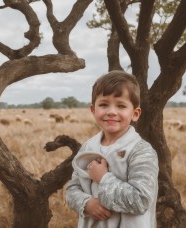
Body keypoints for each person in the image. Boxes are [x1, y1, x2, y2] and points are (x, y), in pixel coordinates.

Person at [66, 70, 159, 228]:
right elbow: (72, 188)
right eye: (103, 105)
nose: (111, 112)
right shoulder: (88, 147)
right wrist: (86, 203)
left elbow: (141, 200)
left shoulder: (141, 150)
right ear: (93, 110)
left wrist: (103, 178)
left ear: (135, 114)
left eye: (121, 106)